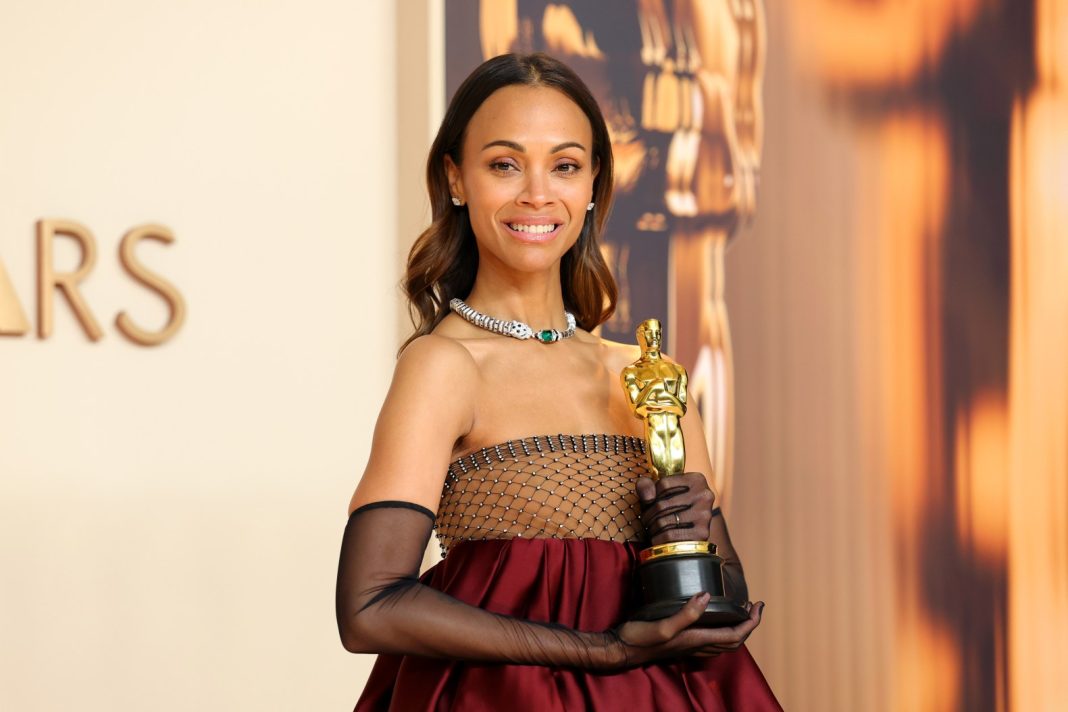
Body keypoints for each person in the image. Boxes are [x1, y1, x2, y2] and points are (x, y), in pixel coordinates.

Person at [336, 52, 781, 711]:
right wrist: (604, 651)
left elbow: (720, 600)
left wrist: (692, 538)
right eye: (504, 164)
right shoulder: (444, 366)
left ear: (595, 182)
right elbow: (369, 606)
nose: (537, 194)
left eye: (565, 166)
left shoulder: (647, 376)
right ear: (456, 178)